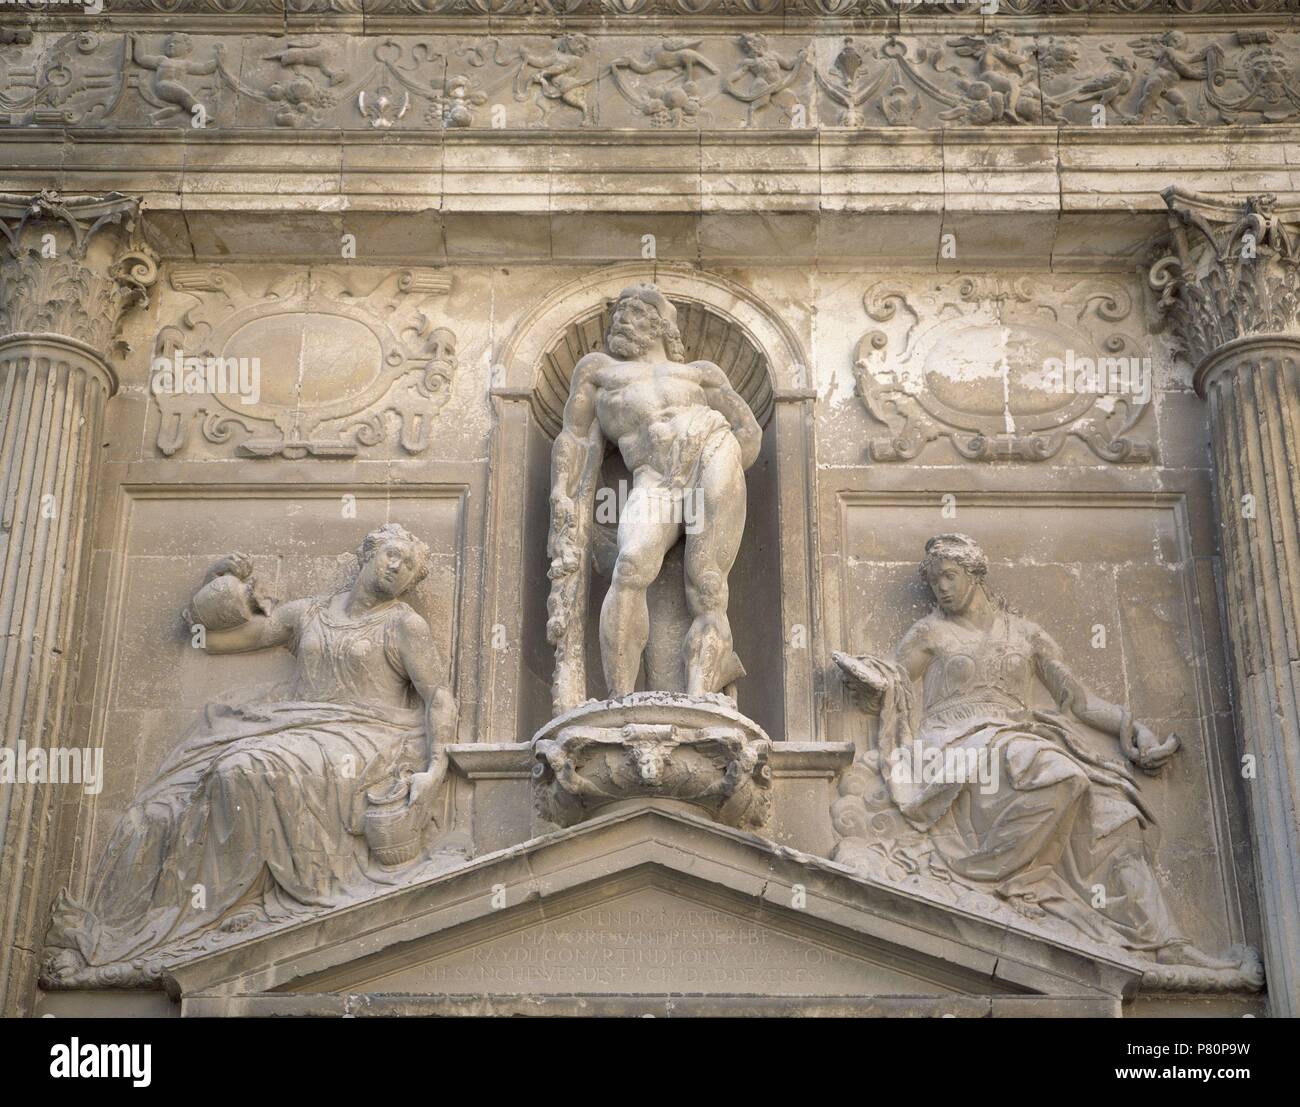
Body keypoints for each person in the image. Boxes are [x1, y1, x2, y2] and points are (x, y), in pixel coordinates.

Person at [42, 524, 458, 987]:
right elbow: (213, 641)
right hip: (299, 724)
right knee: (160, 807)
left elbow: (437, 696)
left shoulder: (405, 625)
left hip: (366, 737)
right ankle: (168, 923)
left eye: (409, 569)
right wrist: (217, 588)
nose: (397, 569)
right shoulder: (307, 614)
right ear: (367, 554)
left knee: (243, 768)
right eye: (392, 555)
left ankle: (216, 909)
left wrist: (435, 769)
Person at [834, 533, 1242, 970]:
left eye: (949, 577)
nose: (942, 589)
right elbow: (896, 682)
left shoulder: (1027, 635)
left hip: (1015, 735)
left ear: (975, 575)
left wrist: (1133, 729)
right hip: (956, 743)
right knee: (1061, 774)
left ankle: (1165, 940)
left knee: (1116, 816)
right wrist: (873, 681)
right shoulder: (929, 632)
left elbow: (1077, 700)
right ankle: (1001, 876)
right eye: (935, 583)